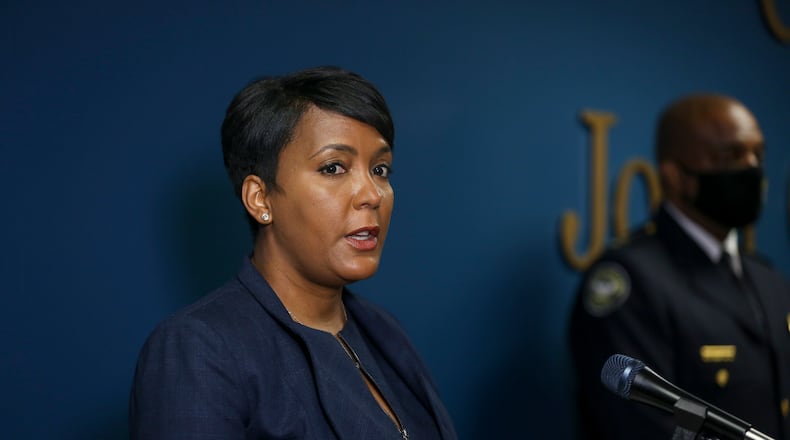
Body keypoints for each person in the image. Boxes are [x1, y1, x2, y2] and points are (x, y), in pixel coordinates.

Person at [129, 66, 457, 439]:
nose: (372, 194)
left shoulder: (383, 330)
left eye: (380, 169)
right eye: (334, 167)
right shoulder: (199, 349)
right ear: (260, 198)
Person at [569, 93, 790, 440]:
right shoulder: (633, 283)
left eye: (757, 154)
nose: (751, 167)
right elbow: (642, 428)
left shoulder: (768, 279)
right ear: (675, 176)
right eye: (730, 155)